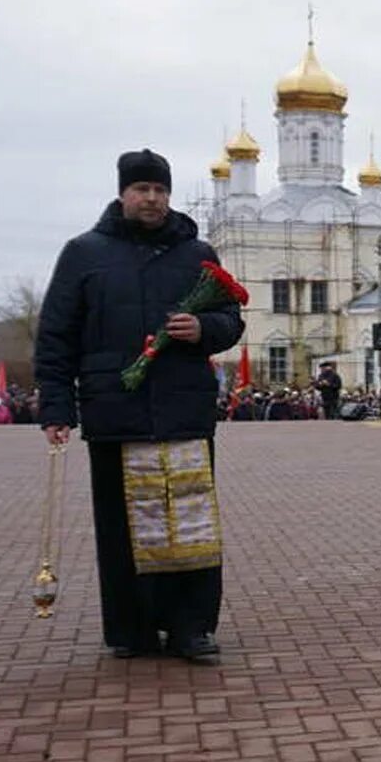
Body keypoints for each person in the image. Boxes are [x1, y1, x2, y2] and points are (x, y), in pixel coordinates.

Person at [35, 149, 244, 663]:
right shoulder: (85, 253)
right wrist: (57, 406)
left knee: (191, 521)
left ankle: (193, 626)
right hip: (116, 411)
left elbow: (231, 320)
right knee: (123, 523)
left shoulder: (197, 252)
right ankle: (132, 629)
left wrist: (203, 330)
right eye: (141, 189)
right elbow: (56, 335)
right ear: (123, 193)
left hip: (183, 411)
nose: (151, 199)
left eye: (159, 190)